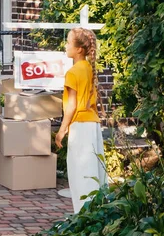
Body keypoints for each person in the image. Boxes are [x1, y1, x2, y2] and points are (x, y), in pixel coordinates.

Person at [55, 27, 107, 213]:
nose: (66, 46)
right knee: (94, 171)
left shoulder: (73, 72)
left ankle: (83, 216)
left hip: (80, 125)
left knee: (80, 173)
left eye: (69, 42)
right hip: (93, 125)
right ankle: (97, 212)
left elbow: (72, 106)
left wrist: (62, 129)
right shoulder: (87, 68)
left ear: (79, 49)